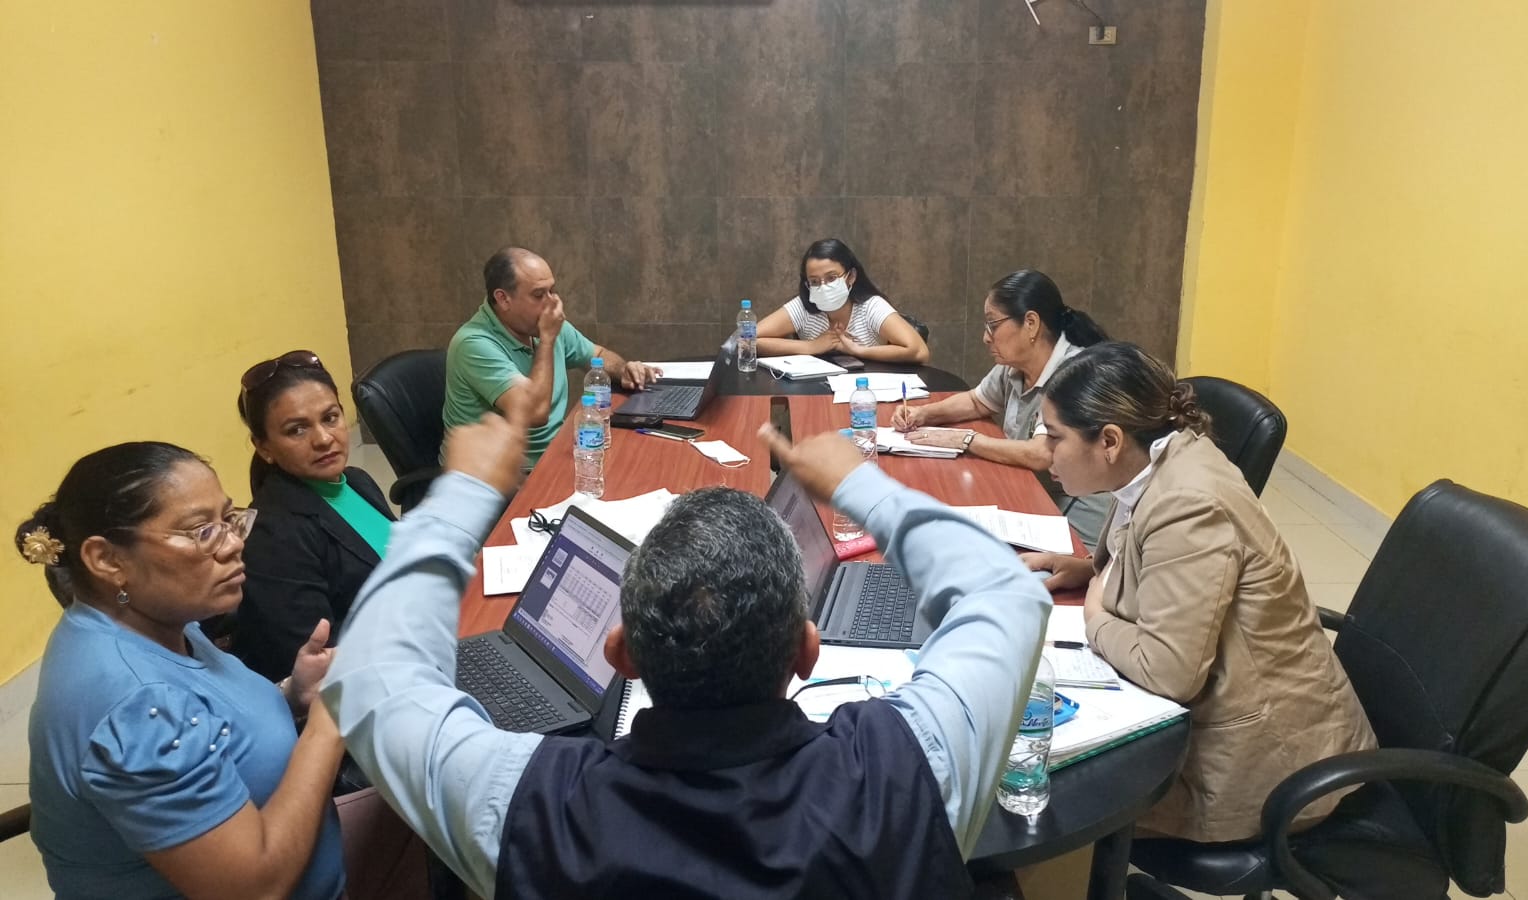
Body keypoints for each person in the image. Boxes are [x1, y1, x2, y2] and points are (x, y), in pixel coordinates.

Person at [320, 406, 1052, 898]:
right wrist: (862, 486)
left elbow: (373, 674)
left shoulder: (532, 807)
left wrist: (462, 497)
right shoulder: (905, 770)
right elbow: (1006, 593)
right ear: (807, 650)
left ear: (620, 653)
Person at [1027, 342, 1377, 842]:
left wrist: (1096, 618)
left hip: (1265, 764)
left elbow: (1168, 671)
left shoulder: (1188, 503)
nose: (1045, 451)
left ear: (1109, 440)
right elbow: (1158, 558)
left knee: (1042, 801)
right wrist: (1089, 570)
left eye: (1054, 436)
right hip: (1227, 710)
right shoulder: (1155, 459)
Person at [16, 442, 346, 899]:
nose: (234, 543)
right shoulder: (136, 705)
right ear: (108, 559)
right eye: (201, 531)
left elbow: (207, 717)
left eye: (229, 519)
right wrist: (330, 724)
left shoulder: (151, 619)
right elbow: (255, 889)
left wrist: (292, 694)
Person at [891, 269, 1114, 561]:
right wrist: (922, 414)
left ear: (1031, 324)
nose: (986, 337)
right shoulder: (1014, 366)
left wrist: (967, 440)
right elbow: (976, 401)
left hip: (1076, 520)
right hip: (1034, 499)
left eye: (993, 324)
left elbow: (1041, 454)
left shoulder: (1073, 373)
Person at [231, 349, 396, 683]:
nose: (323, 439)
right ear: (264, 447)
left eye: (330, 418)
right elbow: (316, 659)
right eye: (297, 430)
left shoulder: (357, 482)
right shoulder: (273, 535)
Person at [444, 247, 662, 467]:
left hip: (554, 455)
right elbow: (535, 413)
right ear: (503, 299)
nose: (553, 303)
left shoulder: (540, 323)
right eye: (539, 295)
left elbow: (597, 355)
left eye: (552, 291)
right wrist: (547, 340)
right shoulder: (473, 344)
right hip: (497, 474)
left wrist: (623, 369)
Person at [755, 238, 930, 364]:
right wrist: (810, 347)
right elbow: (747, 340)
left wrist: (858, 351)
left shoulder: (871, 307)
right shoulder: (803, 307)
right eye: (814, 281)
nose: (823, 286)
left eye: (831, 278)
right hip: (816, 395)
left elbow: (919, 352)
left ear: (851, 276)